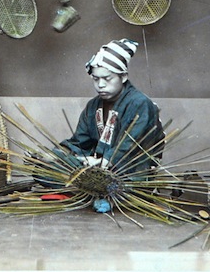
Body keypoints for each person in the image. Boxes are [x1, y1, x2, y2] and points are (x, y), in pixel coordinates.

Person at [56, 38, 165, 176]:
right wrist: (58, 154)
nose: (100, 85)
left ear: (123, 77)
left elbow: (131, 146)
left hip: (129, 174)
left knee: (105, 190)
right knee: (51, 165)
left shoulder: (140, 103)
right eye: (96, 79)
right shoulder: (93, 106)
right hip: (97, 170)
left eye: (107, 79)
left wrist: (103, 162)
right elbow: (79, 142)